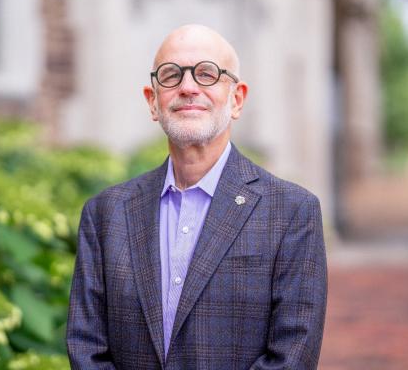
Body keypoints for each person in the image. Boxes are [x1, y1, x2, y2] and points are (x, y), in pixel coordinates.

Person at [66, 24, 327, 369]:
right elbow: (87, 348)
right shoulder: (105, 214)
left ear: (236, 99)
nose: (188, 88)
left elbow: (293, 354)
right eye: (171, 75)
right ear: (153, 101)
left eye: (207, 74)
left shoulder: (292, 212)